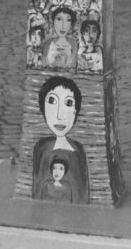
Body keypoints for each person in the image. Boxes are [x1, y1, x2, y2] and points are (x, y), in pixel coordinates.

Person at [32, 75, 89, 204]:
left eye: (69, 103)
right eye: (52, 101)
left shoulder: (77, 151)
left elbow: (81, 194)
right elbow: (36, 188)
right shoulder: (41, 148)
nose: (59, 115)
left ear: (76, 111)